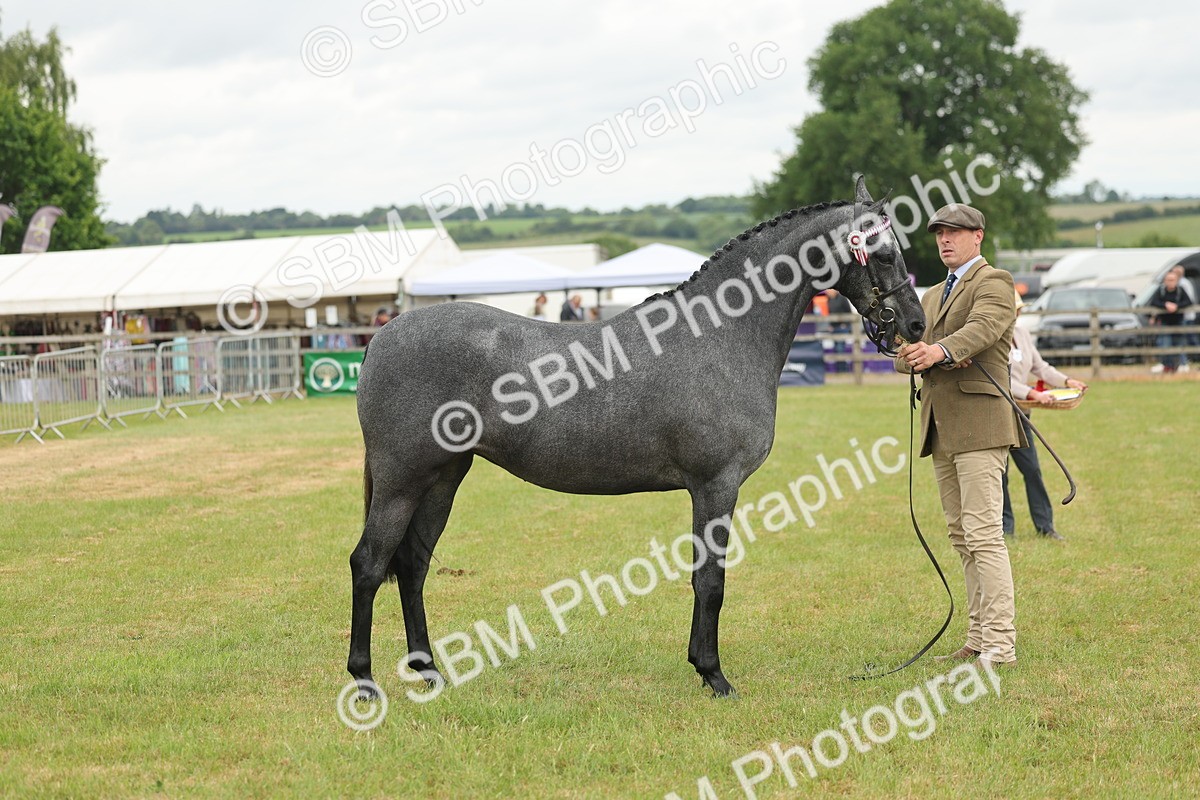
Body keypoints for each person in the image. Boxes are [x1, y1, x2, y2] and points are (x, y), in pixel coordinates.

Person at [896, 202, 1027, 669]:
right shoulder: (931, 295)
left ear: (978, 236)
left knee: (984, 535)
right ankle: (977, 636)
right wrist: (916, 354)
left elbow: (984, 327)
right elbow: (907, 348)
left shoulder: (995, 281)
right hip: (941, 426)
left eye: (954, 231)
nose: (945, 240)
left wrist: (941, 350)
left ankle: (1001, 645)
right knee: (961, 536)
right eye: (939, 233)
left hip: (980, 423)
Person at [1004, 289, 1088, 540]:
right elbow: (1000, 378)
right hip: (998, 414)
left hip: (1022, 414)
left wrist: (1067, 381)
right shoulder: (991, 337)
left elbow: (1040, 367)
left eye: (1018, 310)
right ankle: (1004, 529)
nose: (1016, 314)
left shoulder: (1022, 333)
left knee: (1032, 470)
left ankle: (1045, 526)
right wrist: (1032, 393)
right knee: (1000, 474)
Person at [1148, 270, 1194, 374]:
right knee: (1165, 344)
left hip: (1179, 321)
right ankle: (1167, 366)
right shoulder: (1161, 290)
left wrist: (1177, 306)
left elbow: (1188, 302)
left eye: (1173, 280)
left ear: (1177, 281)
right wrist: (1165, 305)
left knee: (1179, 343)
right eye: (1168, 280)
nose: (1170, 282)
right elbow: (1153, 302)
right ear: (1165, 281)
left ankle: (1182, 365)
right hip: (1165, 321)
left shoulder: (1180, 290)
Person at [825, 289, 853, 373]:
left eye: (829, 290)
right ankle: (839, 370)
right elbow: (830, 313)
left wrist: (846, 324)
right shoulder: (828, 299)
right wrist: (830, 325)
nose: (827, 292)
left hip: (842, 327)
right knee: (836, 349)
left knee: (840, 348)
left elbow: (849, 312)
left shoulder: (842, 298)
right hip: (834, 328)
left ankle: (843, 370)